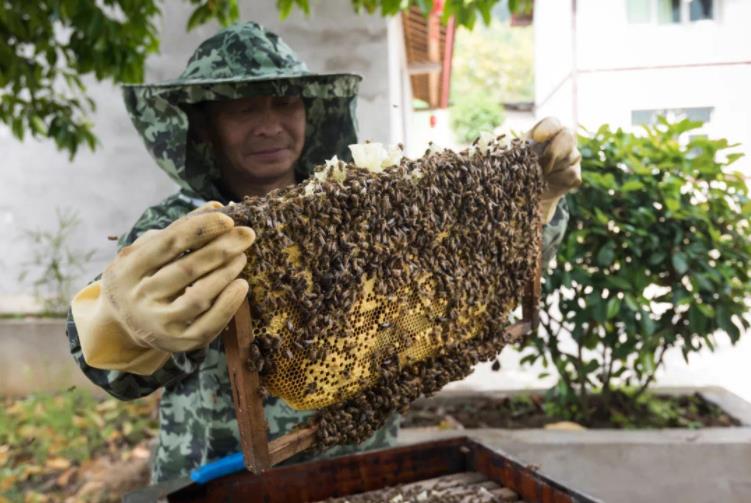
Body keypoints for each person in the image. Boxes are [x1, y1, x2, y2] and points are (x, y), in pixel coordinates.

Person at [67, 21, 581, 483]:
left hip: (364, 464)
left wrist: (535, 210)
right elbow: (109, 366)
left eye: (285, 102)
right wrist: (121, 329)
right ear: (203, 127)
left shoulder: (368, 207)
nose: (269, 125)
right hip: (225, 477)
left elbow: (473, 275)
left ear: (310, 111)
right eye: (242, 109)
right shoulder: (177, 229)